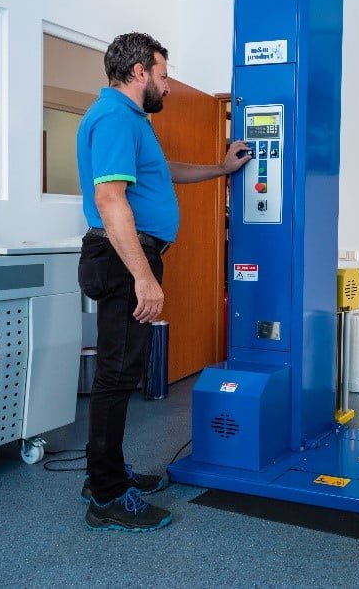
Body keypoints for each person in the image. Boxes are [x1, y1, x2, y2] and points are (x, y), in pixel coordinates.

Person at [76, 32, 250, 532]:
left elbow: (161, 171)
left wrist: (221, 169)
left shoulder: (131, 121)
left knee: (120, 372)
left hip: (127, 254)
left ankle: (104, 475)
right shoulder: (114, 117)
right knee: (116, 376)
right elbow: (110, 199)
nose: (168, 86)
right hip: (122, 257)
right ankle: (106, 497)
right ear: (139, 72)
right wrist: (143, 276)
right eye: (164, 75)